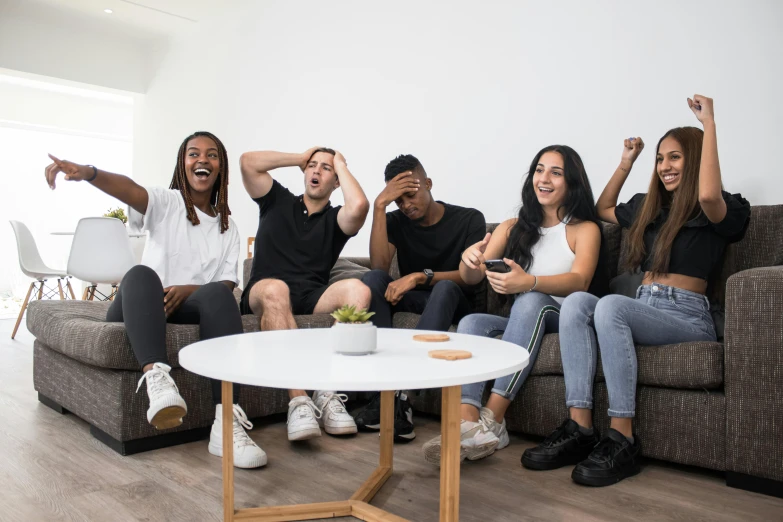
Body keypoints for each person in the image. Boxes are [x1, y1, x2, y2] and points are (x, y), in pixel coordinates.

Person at [522, 95, 751, 487]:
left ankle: (623, 437)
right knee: (578, 303)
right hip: (646, 307)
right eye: (661, 159)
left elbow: (708, 194)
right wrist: (627, 162)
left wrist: (709, 123)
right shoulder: (649, 208)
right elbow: (603, 207)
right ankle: (579, 427)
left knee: (611, 307)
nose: (665, 166)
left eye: (675, 157)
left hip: (688, 316)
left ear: (693, 159)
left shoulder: (724, 208)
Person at [44, 131, 267, 469]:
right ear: (183, 164)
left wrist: (185, 290)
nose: (202, 160)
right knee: (141, 274)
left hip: (187, 307)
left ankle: (225, 424)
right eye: (194, 154)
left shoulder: (228, 227)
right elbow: (129, 189)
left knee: (221, 296)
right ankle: (158, 381)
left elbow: (224, 283)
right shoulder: (167, 202)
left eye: (212, 155)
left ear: (220, 168)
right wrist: (89, 173)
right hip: (143, 305)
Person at [421, 145, 602, 465]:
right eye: (539, 170)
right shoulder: (511, 227)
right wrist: (468, 260)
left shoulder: (583, 229)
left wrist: (528, 283)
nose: (544, 179)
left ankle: (495, 419)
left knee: (531, 300)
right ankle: (468, 425)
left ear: (572, 183)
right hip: (526, 317)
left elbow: (580, 280)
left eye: (556, 173)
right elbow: (473, 276)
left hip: (564, 316)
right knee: (472, 323)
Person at [239, 146, 371, 441]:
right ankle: (299, 401)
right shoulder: (277, 200)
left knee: (360, 290)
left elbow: (360, 205)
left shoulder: (336, 220)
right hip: (264, 290)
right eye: (312, 166)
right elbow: (248, 163)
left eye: (326, 168)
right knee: (276, 288)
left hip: (311, 295)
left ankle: (326, 391)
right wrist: (299, 158)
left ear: (337, 182)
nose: (316, 171)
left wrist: (341, 164)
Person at [355, 154, 486, 442]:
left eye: (411, 196)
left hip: (456, 302)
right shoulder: (395, 220)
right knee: (373, 280)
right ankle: (383, 391)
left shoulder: (469, 219)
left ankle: (403, 396)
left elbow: (469, 277)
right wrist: (379, 207)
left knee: (445, 289)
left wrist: (418, 276)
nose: (406, 205)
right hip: (416, 300)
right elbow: (378, 266)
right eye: (398, 200)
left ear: (427, 183)